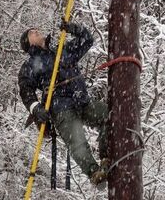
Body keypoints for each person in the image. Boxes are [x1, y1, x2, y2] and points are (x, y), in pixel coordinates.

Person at [18, 21, 109, 185]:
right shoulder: (30, 65)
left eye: (36, 28)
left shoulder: (62, 50)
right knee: (77, 140)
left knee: (109, 115)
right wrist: (35, 108)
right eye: (32, 32)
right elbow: (26, 90)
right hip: (61, 108)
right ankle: (95, 173)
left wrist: (74, 28)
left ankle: (106, 157)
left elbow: (87, 40)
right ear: (28, 43)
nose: (36, 30)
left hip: (82, 101)